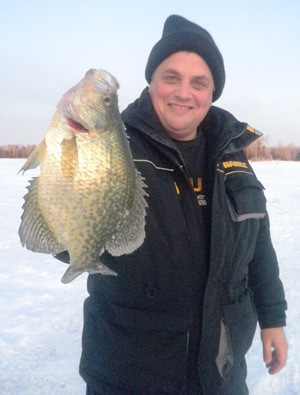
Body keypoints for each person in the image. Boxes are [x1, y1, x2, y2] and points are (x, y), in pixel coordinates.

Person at [57, 14, 288, 395]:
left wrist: (272, 318)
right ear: (152, 82)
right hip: (133, 375)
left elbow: (257, 243)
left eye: (199, 82)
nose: (184, 93)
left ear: (212, 92)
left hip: (222, 373)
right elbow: (70, 243)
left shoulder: (230, 151)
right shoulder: (112, 143)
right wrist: (66, 162)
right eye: (171, 77)